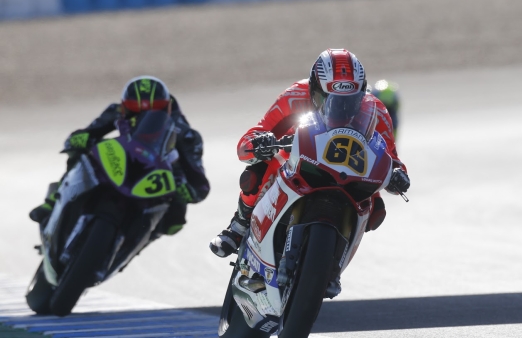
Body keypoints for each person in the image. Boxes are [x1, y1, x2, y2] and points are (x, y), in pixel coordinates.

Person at [208, 49, 410, 297]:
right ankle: (238, 226)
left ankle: (332, 267)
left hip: (348, 172)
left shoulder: (376, 109)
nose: (340, 107)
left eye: (350, 100)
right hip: (301, 160)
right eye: (329, 98)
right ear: (314, 87)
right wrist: (259, 143)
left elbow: (393, 157)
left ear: (362, 93)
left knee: (376, 208)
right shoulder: (295, 95)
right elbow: (254, 134)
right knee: (259, 168)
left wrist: (399, 175)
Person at [29, 76, 210, 238]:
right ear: (125, 107)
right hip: (123, 163)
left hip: (157, 177)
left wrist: (186, 190)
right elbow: (87, 133)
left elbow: (200, 183)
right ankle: (54, 201)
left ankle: (138, 239)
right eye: (134, 110)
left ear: (166, 108)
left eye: (153, 111)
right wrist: (80, 139)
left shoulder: (187, 135)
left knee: (173, 224)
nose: (142, 117)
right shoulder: (116, 111)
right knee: (83, 154)